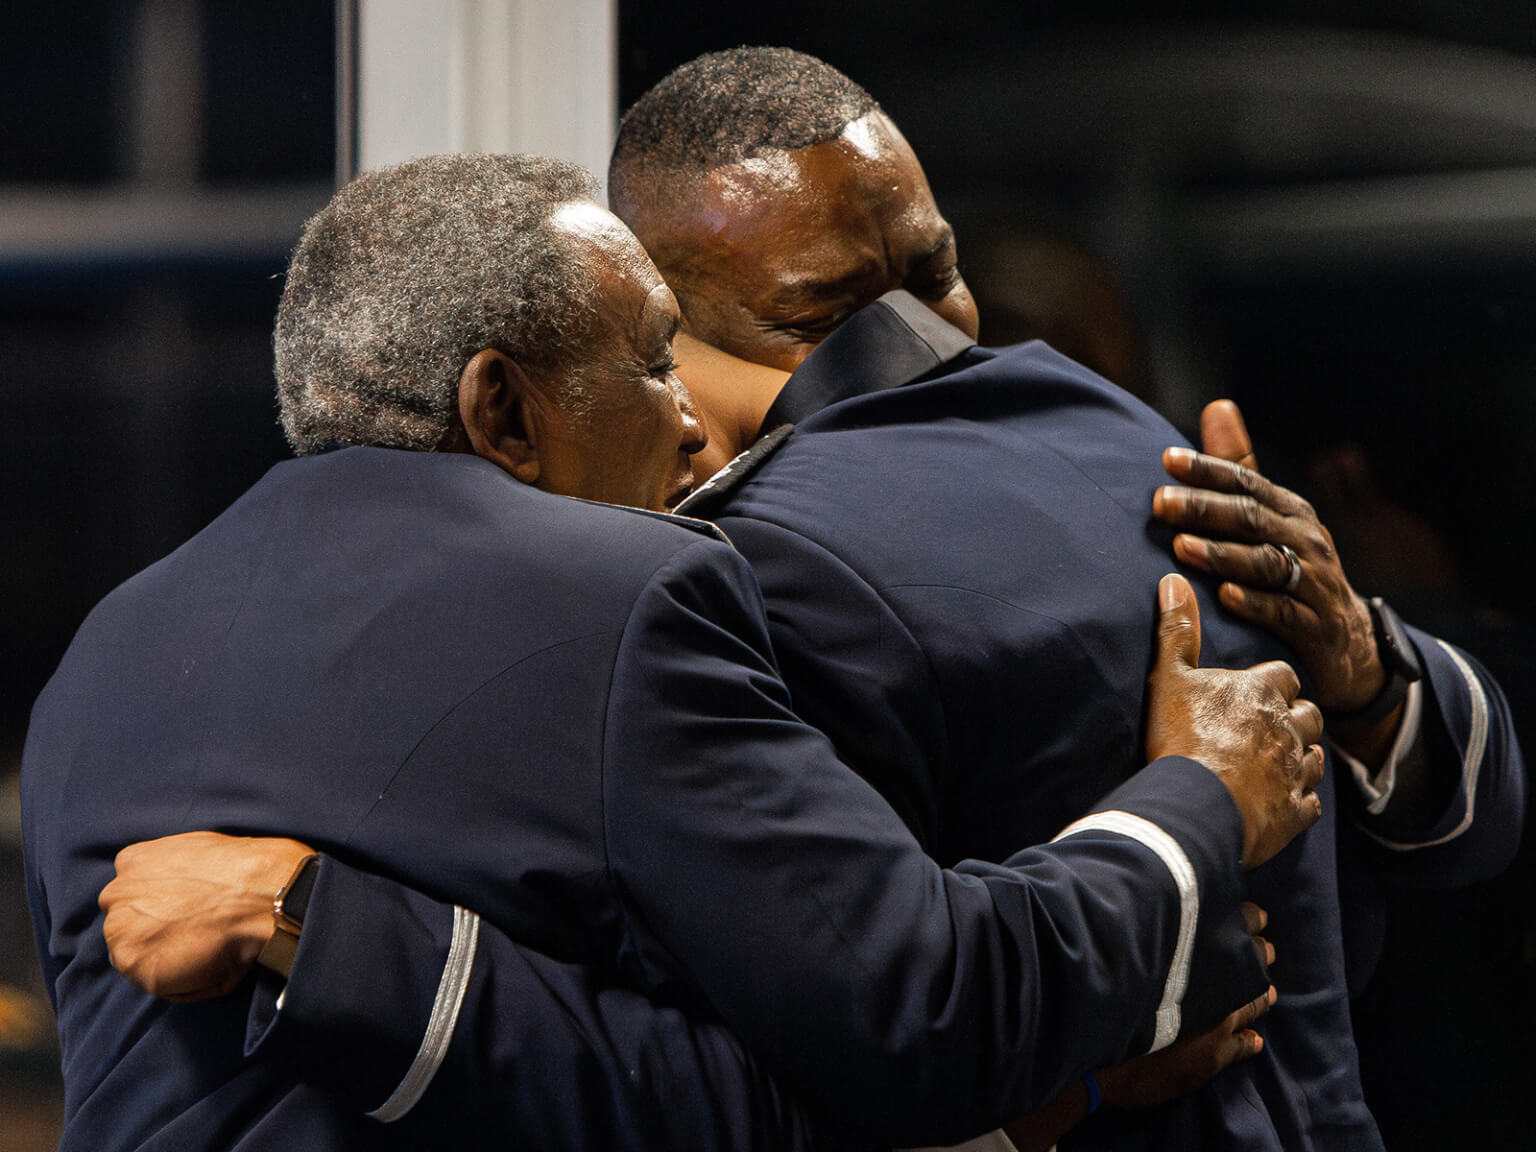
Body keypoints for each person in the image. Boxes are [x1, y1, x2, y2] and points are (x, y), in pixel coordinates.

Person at [108, 47, 1524, 1151]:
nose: (918, 339)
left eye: (933, 276)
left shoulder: (738, 574)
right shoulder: (1116, 453)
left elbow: (811, 1050)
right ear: (653, 331)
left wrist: (1371, 670)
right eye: (825, 312)